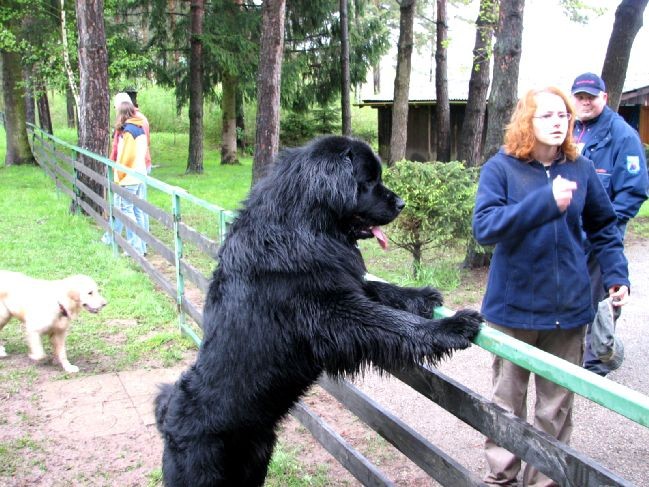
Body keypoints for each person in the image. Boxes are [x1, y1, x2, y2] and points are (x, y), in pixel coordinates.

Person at [473, 86, 630, 487]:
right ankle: (502, 477)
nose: (559, 122)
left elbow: (603, 226)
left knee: (554, 409)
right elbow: (485, 228)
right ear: (527, 120)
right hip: (513, 311)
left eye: (563, 115)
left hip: (568, 311)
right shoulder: (501, 168)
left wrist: (616, 274)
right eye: (548, 116)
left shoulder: (580, 167)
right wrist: (544, 202)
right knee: (507, 404)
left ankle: (543, 482)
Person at [571, 72, 648, 376]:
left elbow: (634, 190)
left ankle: (598, 360)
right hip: (571, 228)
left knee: (602, 293)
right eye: (580, 96)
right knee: (575, 291)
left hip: (603, 230)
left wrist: (605, 225)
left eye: (591, 96)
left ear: (604, 98)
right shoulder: (570, 128)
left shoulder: (623, 136)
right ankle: (573, 351)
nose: (585, 102)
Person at [101, 100, 148, 256]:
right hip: (140, 175)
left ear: (121, 114)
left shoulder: (128, 132)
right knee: (137, 211)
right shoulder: (139, 128)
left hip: (129, 178)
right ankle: (141, 246)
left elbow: (127, 156)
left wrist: (119, 175)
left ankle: (135, 247)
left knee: (126, 210)